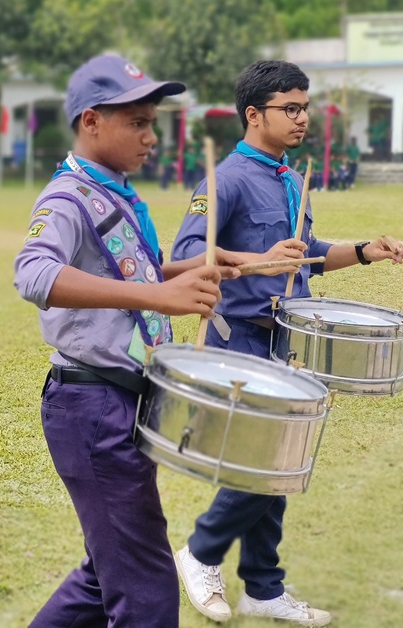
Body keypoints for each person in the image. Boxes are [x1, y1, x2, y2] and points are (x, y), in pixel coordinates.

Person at [14, 54, 249, 627]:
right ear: (91, 121)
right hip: (92, 409)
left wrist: (186, 271)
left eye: (153, 122)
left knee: (106, 573)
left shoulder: (112, 192)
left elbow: (134, 275)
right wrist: (158, 298)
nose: (151, 137)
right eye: (137, 123)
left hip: (119, 400)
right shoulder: (67, 197)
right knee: (145, 591)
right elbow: (34, 275)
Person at [172, 60, 403, 626]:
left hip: (287, 339)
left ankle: (263, 586)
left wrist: (366, 250)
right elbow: (183, 257)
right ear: (254, 115)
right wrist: (258, 262)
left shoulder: (290, 179)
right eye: (290, 109)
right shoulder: (224, 180)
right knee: (267, 463)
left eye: (305, 108)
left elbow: (309, 255)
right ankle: (200, 552)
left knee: (280, 464)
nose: (303, 119)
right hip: (241, 339)